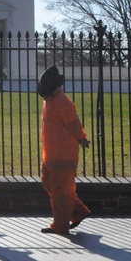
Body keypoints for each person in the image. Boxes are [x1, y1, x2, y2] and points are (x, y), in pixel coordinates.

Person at [37, 66, 91, 235]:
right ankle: (77, 211)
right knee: (50, 183)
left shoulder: (62, 102)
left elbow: (74, 123)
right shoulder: (50, 101)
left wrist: (82, 138)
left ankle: (61, 225)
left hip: (63, 155)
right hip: (51, 153)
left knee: (60, 190)